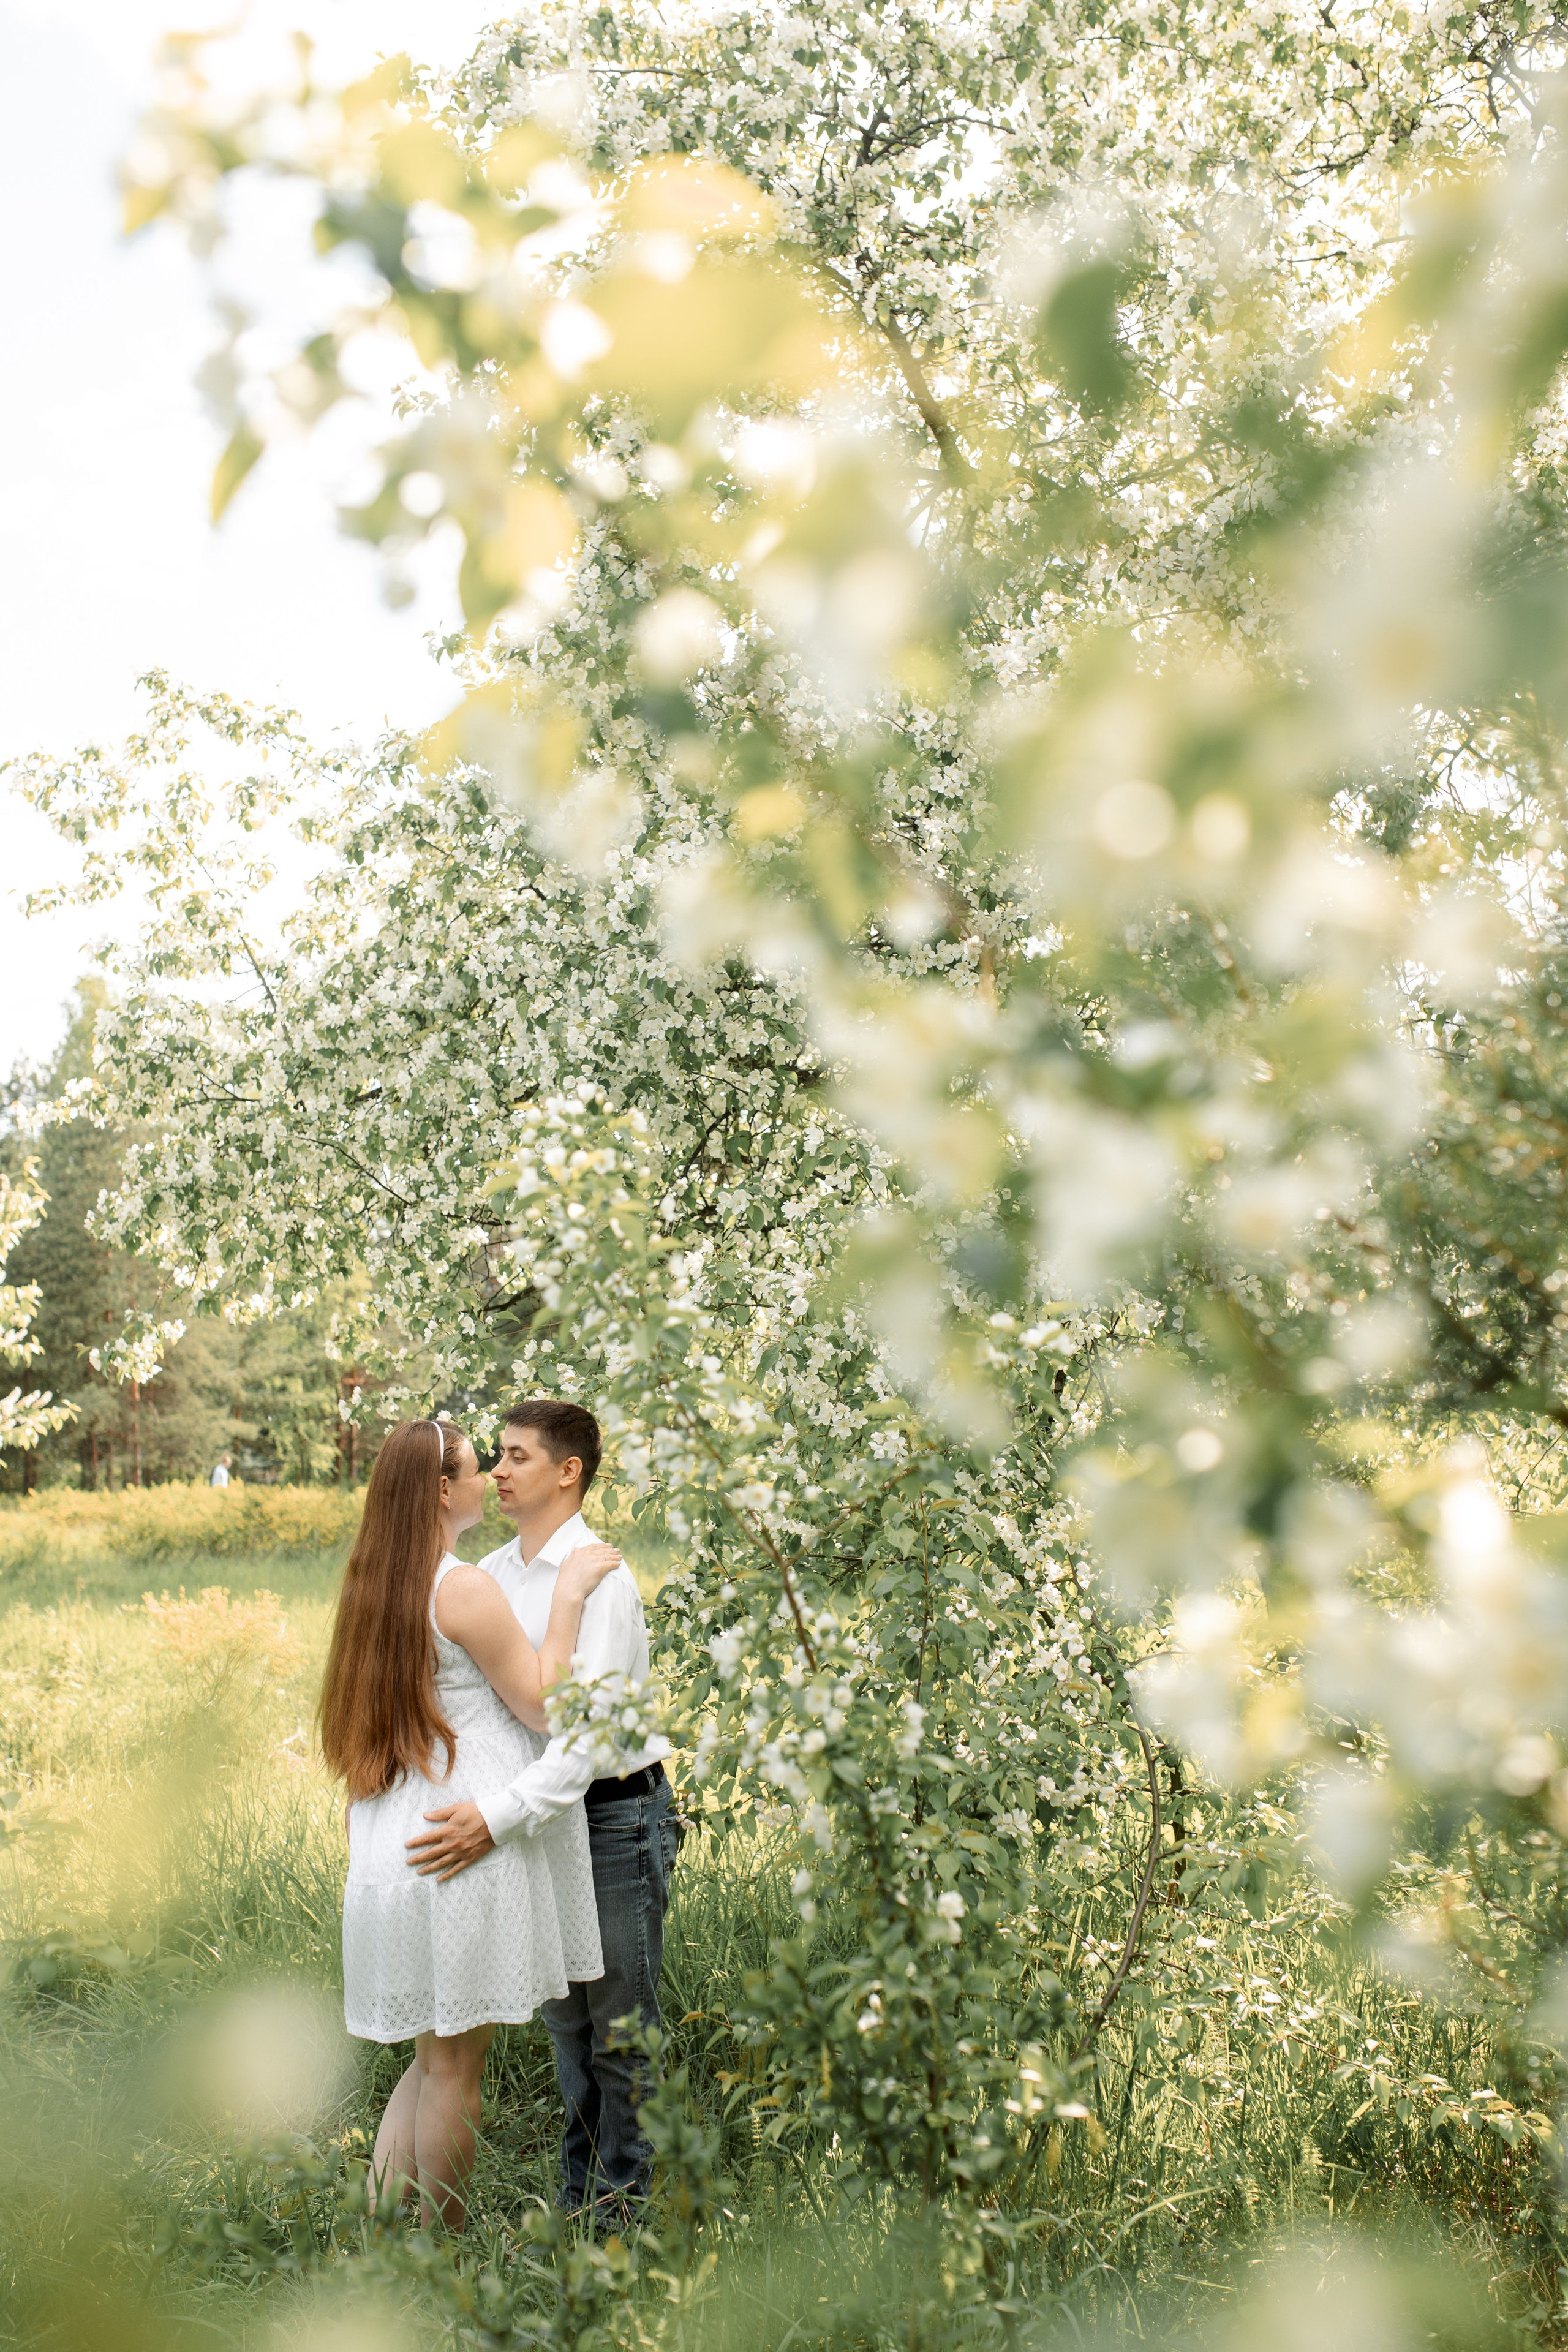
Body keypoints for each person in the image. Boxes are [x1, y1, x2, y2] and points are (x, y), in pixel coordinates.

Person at [318, 1416, 622, 2230]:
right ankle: (439, 2254)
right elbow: (543, 1703)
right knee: (455, 2069)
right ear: (441, 1490)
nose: (489, 1475)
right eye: (472, 1466)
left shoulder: (376, 1585)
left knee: (430, 2060)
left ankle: (389, 2239)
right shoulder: (461, 1587)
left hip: (396, 1833)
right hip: (458, 1839)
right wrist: (566, 1602)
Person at [405, 1400, 679, 2228]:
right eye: (495, 1455)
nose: (497, 1470)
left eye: (517, 1456)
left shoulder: (601, 1578)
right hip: (539, 1822)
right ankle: (578, 2204)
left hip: (612, 1817)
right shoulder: (490, 1574)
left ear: (569, 1472)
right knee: (567, 2025)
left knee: (620, 2031)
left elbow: (584, 1741)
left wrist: (494, 1818)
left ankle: (624, 2223)